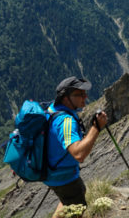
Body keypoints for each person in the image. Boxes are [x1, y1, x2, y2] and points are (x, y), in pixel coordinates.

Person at [44, 76, 108, 217]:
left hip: (52, 171)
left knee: (71, 197)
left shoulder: (52, 109)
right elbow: (79, 154)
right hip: (63, 177)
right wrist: (96, 127)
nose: (85, 97)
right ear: (66, 98)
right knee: (77, 207)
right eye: (80, 94)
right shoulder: (66, 121)